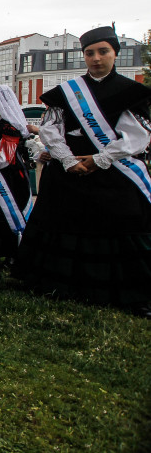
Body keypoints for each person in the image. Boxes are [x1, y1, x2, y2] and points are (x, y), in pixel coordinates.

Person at [15, 26, 151, 317]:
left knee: (119, 226)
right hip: (69, 170)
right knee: (62, 222)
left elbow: (137, 136)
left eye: (103, 52)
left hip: (113, 171)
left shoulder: (130, 92)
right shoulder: (68, 93)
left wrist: (99, 159)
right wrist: (67, 160)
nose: (96, 59)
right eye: (90, 53)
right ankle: (56, 284)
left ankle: (131, 292)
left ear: (115, 53)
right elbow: (51, 130)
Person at [0, 85, 33, 267]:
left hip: (10, 178)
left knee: (11, 212)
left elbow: (5, 157)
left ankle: (15, 253)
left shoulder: (9, 126)